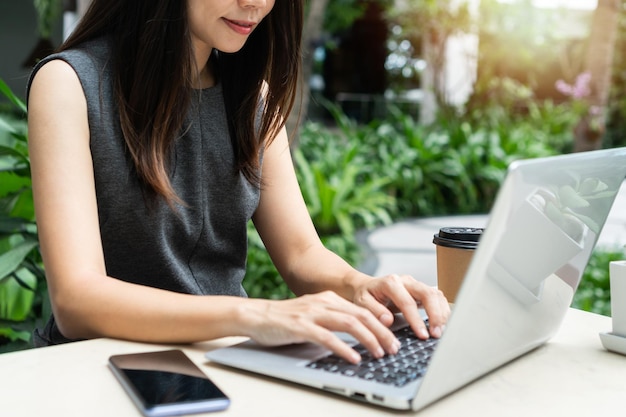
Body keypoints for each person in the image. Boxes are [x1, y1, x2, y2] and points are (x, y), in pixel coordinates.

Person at [26, 0, 450, 364]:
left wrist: (362, 287)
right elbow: (77, 299)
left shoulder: (253, 99)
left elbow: (302, 255)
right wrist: (256, 316)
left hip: (220, 359)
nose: (257, 3)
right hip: (102, 369)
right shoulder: (69, 84)